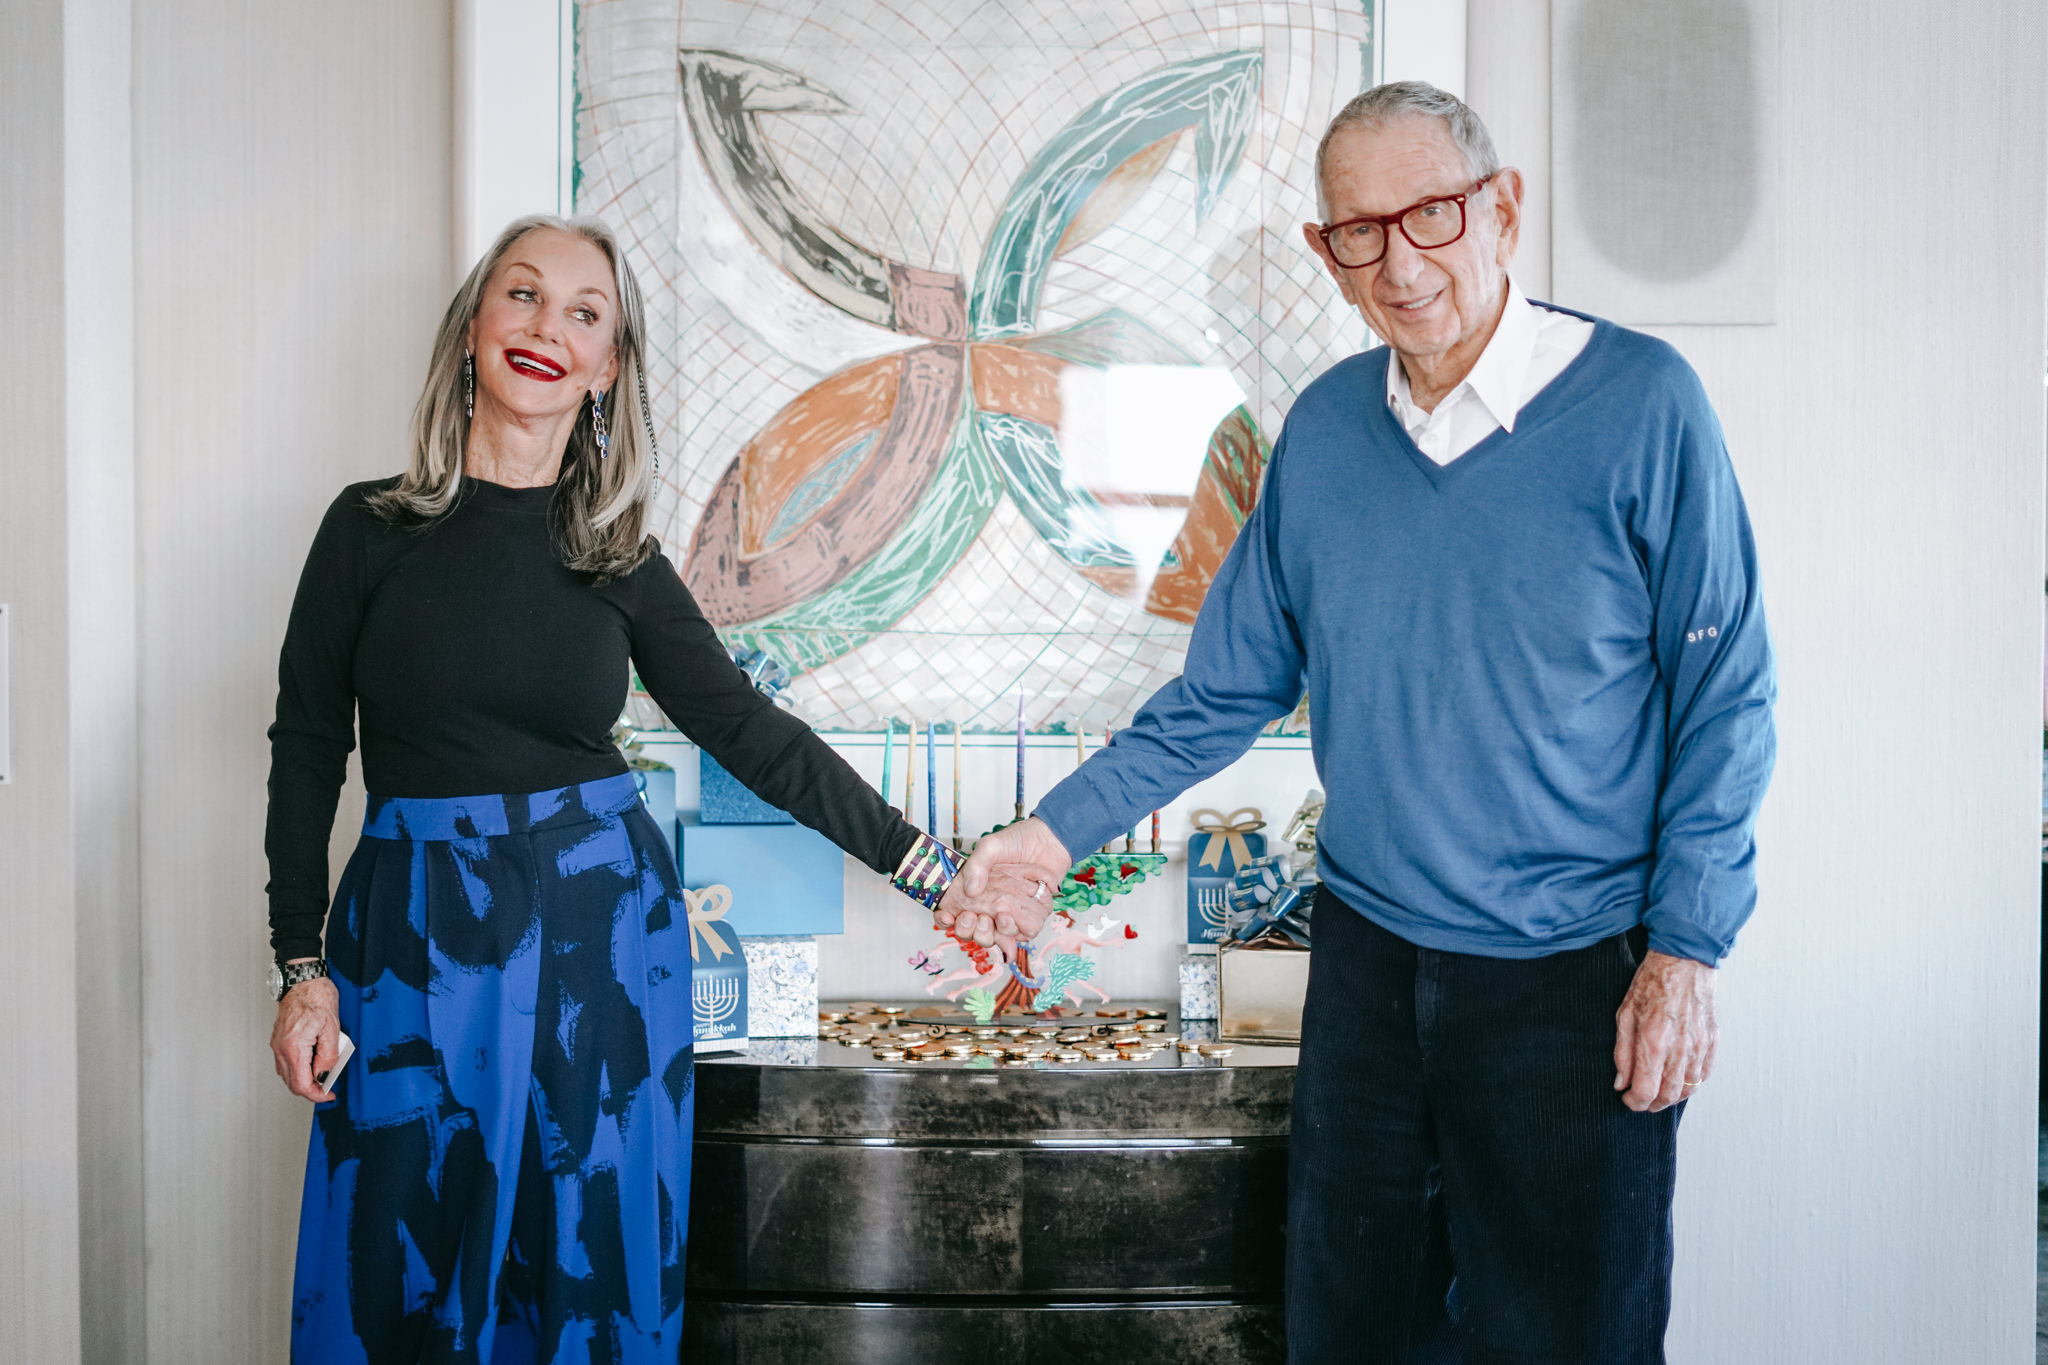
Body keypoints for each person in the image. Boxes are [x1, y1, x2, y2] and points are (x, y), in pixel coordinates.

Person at [945, 82, 1776, 1363]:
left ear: (1499, 208)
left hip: (1574, 975)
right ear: (1323, 255)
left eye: (1431, 214)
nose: (1398, 262)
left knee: (1566, 1341)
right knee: (1350, 1334)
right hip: (1370, 970)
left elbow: (1725, 693)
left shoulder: (1642, 404)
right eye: (1357, 231)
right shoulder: (1327, 430)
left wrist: (1686, 950)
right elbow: (1225, 689)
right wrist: (1049, 837)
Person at [264, 213, 1040, 1363]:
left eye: (586, 314)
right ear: (475, 325)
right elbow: (307, 744)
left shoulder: (615, 555)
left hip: (598, 938)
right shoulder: (366, 529)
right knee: (402, 1253)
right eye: (522, 296)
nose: (547, 329)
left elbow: (746, 731)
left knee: (584, 1248)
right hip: (412, 938)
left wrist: (929, 868)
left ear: (608, 367)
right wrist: (299, 967)